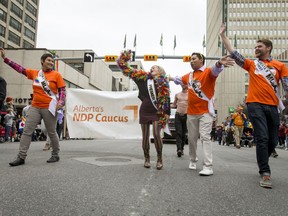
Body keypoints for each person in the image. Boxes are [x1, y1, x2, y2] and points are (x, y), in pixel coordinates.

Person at [220, 23, 288, 188]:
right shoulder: (251, 64)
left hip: (272, 106)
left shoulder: (280, 66)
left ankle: (266, 156)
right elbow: (234, 53)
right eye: (255, 46)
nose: (256, 48)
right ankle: (265, 172)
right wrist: (223, 36)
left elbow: (286, 85)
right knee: (263, 137)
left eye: (259, 46)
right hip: (254, 105)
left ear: (268, 48)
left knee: (272, 140)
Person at [170, 52, 235, 176]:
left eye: (194, 59)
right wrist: (167, 77)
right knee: (192, 138)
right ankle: (193, 159)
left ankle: (208, 166)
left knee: (205, 137)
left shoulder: (208, 72)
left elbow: (216, 69)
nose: (191, 61)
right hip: (191, 113)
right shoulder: (188, 76)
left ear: (201, 60)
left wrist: (219, 63)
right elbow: (178, 79)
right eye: (190, 59)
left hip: (205, 112)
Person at [0, 48, 66, 166]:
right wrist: (5, 59)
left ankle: (55, 154)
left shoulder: (56, 75)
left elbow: (62, 90)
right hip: (35, 107)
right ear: (42, 61)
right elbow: (20, 69)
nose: (51, 63)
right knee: (27, 131)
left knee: (51, 132)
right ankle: (21, 157)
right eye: (49, 60)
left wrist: (61, 102)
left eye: (52, 61)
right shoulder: (35, 73)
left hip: (49, 107)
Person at [117, 50, 170, 170]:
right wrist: (124, 58)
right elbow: (126, 69)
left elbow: (167, 98)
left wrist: (167, 113)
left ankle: (159, 159)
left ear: (160, 71)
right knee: (145, 136)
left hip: (157, 112)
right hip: (145, 110)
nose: (152, 68)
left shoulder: (164, 82)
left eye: (155, 67)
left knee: (157, 134)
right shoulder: (143, 78)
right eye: (151, 67)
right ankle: (146, 159)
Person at [171, 84, 188, 157]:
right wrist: (165, 105)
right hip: (178, 114)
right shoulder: (177, 95)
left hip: (186, 115)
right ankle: (179, 149)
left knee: (183, 133)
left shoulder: (190, 94)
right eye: (182, 83)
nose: (183, 85)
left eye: (185, 84)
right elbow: (174, 105)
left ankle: (182, 148)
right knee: (178, 132)